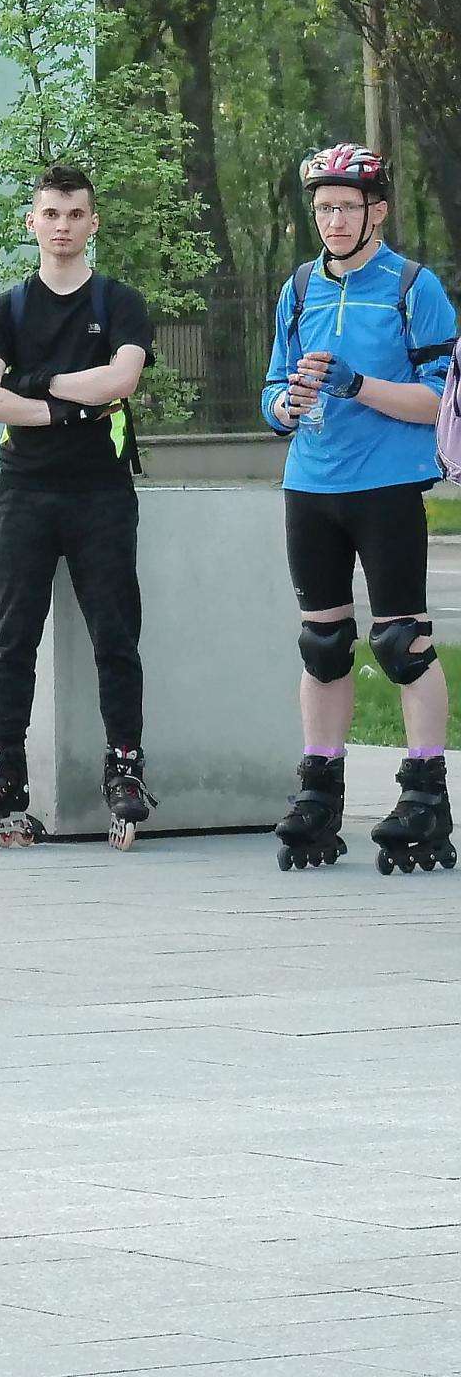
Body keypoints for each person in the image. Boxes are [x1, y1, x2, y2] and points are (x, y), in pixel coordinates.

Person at [261, 143, 458, 874]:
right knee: (322, 643)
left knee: (402, 640)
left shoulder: (413, 285)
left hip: (386, 484)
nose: (333, 220)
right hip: (310, 484)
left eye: (346, 206)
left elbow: (440, 399)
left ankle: (425, 789)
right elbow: (272, 388)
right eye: (322, 208)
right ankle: (320, 785)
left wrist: (356, 383)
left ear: (377, 211)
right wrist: (285, 404)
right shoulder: (300, 287)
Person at [0, 164, 157, 851]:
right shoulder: (4, 310)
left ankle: (125, 769)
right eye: (51, 214)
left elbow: (122, 378)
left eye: (75, 214)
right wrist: (72, 403)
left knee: (115, 635)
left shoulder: (119, 301)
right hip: (24, 493)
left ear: (93, 223)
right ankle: (4, 772)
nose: (63, 226)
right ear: (32, 222)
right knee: (12, 636)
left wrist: (34, 386)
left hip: (101, 491)